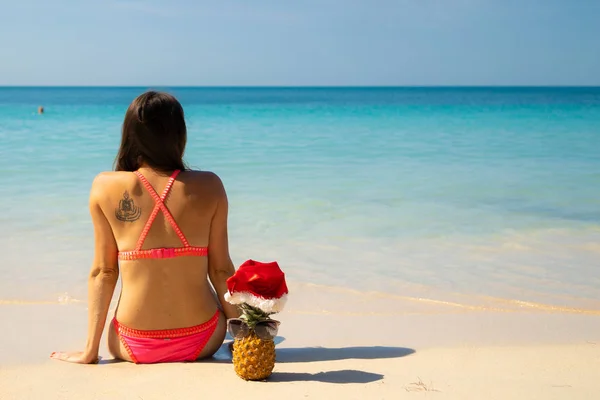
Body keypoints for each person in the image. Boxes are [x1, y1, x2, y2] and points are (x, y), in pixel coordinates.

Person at [51, 91, 240, 364]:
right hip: (203, 339)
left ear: (129, 135)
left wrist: (90, 351)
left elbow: (103, 272)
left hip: (131, 343)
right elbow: (221, 270)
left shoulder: (105, 186)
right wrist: (246, 338)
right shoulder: (209, 185)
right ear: (179, 134)